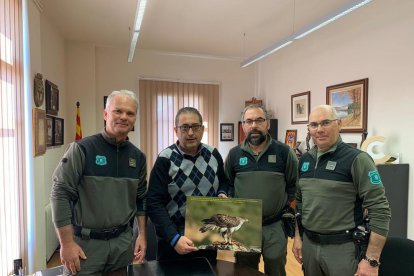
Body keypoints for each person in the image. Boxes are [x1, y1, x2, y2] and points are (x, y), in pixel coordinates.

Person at [50, 90, 148, 275]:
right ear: (105, 114)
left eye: (130, 113)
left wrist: (142, 235)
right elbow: (60, 193)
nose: (124, 117)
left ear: (135, 119)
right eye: (118, 111)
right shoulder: (82, 149)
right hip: (86, 246)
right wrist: (67, 244)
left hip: (122, 245)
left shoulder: (138, 157)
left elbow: (141, 199)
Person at [292, 105, 391, 276]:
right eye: (314, 125)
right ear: (309, 129)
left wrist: (371, 260)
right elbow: (300, 203)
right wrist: (298, 237)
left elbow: (380, 209)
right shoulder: (305, 160)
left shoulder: (357, 159)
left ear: (339, 124)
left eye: (325, 123)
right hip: (309, 245)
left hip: (342, 249)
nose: (319, 129)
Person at [147, 107, 229, 263]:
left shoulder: (213, 154)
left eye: (195, 127)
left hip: (207, 237)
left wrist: (223, 192)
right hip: (173, 241)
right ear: (175, 130)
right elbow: (154, 202)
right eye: (185, 127)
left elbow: (223, 181)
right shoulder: (165, 159)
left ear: (202, 129)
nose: (190, 133)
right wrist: (173, 238)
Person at [224, 104, 298, 276]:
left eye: (259, 120)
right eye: (249, 121)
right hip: (244, 227)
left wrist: (289, 211)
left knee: (276, 269)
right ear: (243, 126)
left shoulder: (284, 152)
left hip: (275, 225)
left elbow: (294, 186)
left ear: (268, 124)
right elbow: (227, 184)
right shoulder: (234, 154)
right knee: (245, 270)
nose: (254, 125)